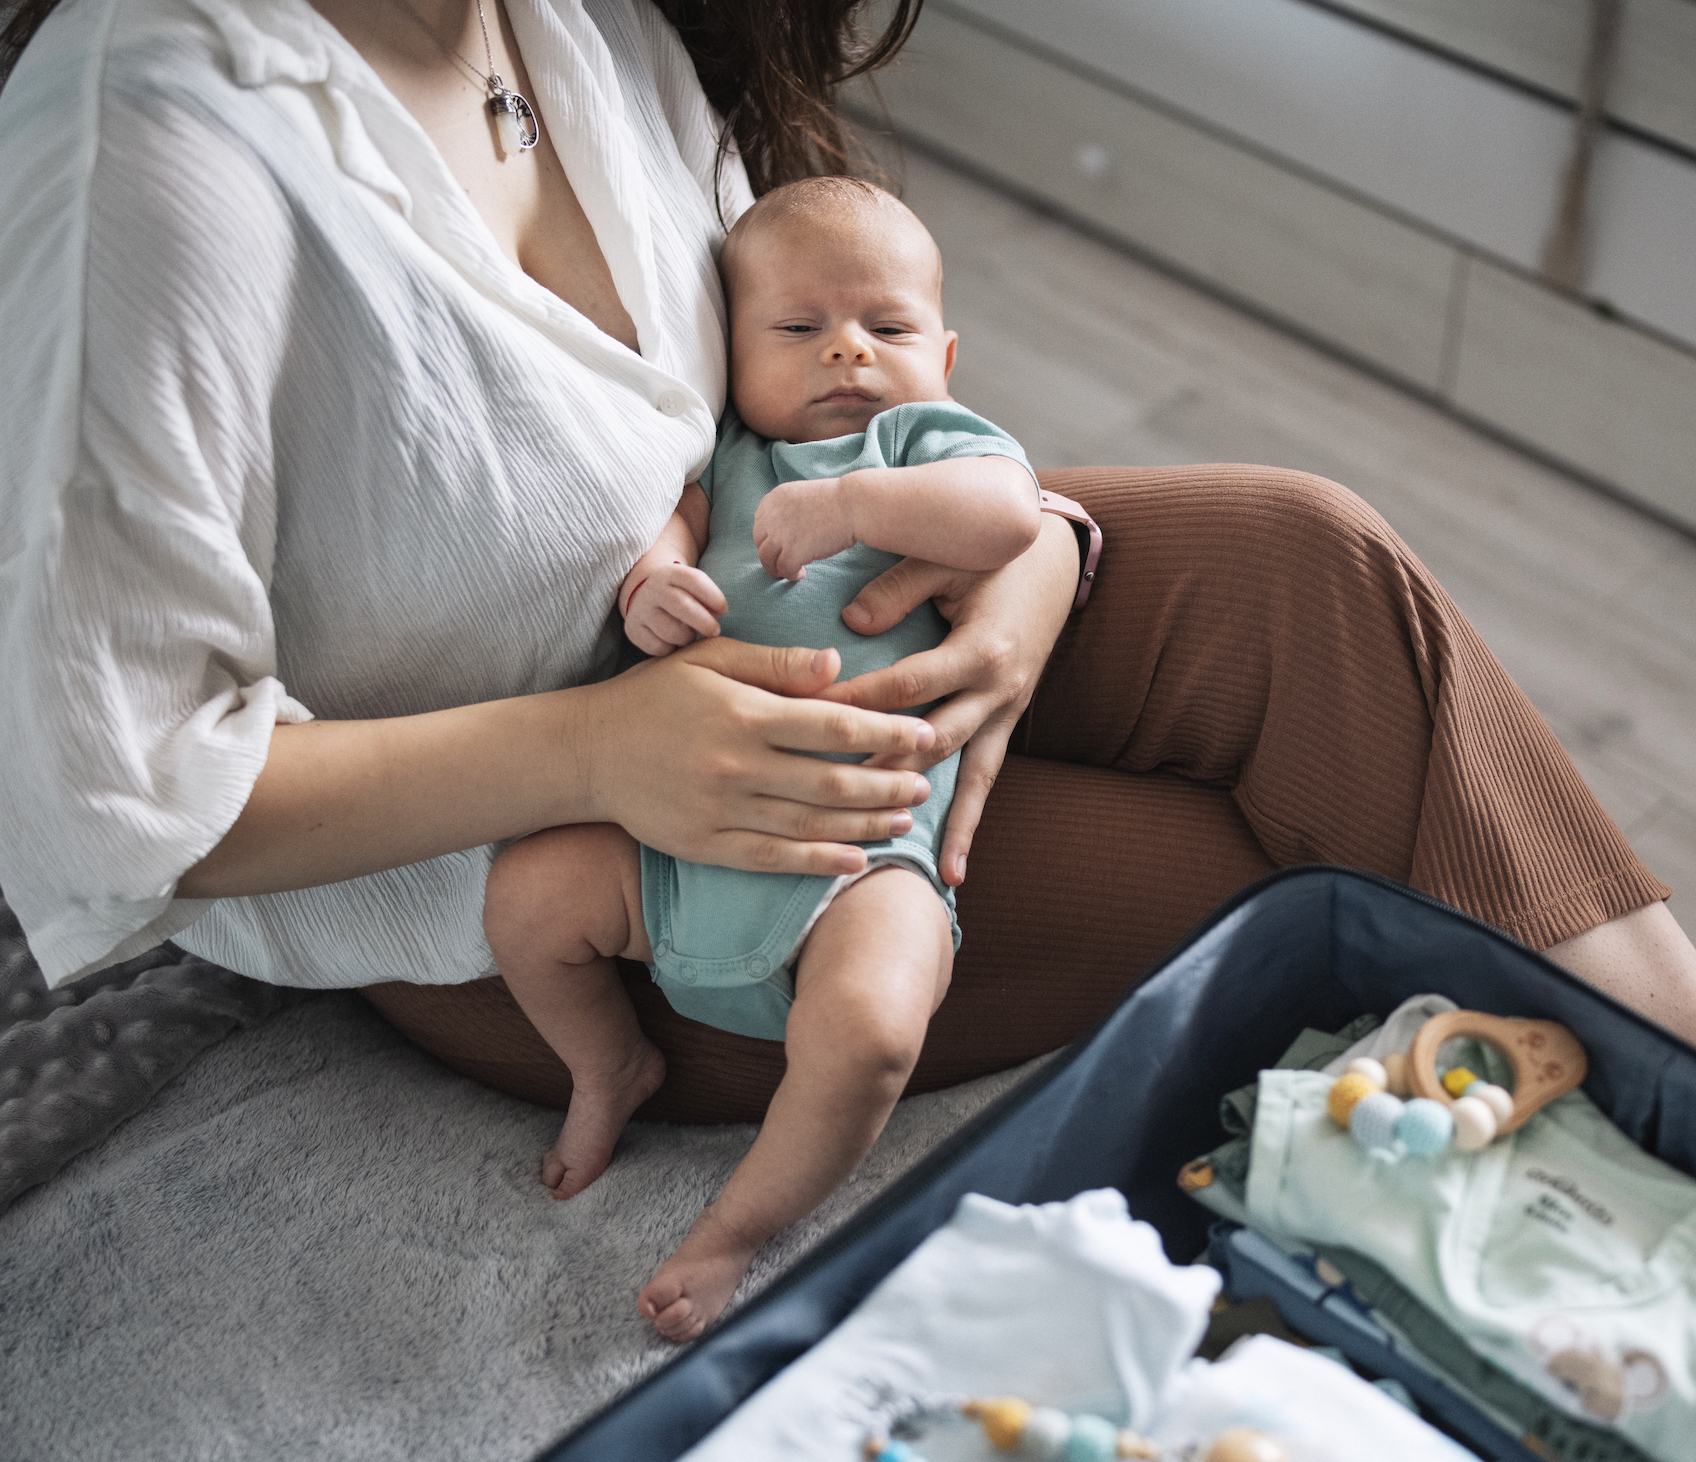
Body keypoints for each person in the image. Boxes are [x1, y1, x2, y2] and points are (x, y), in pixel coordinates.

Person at [1, 0, 1692, 1256]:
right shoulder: (150, 155)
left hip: (799, 626)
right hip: (572, 881)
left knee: (1314, 564)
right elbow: (100, 799)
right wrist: (597, 748)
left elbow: (795, 397)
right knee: (1287, 882)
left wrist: (1031, 562)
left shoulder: (568, 23)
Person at [483, 176, 1040, 1340]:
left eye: (887, 327)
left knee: (873, 1028)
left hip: (860, 856)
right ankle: (608, 1063)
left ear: (943, 355)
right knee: (529, 897)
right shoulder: (725, 460)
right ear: (729, 356)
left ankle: (735, 1228)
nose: (847, 348)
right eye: (798, 328)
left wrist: (857, 506)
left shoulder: (922, 444)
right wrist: (653, 588)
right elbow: (667, 538)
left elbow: (1006, 515)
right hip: (671, 849)